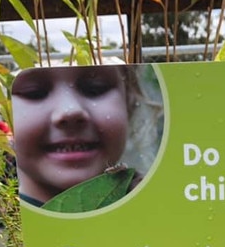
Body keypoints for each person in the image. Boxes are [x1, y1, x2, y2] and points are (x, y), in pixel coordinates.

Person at [11, 65, 142, 208]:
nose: (70, 111)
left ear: (128, 102)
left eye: (95, 88)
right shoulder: (2, 222)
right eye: (34, 92)